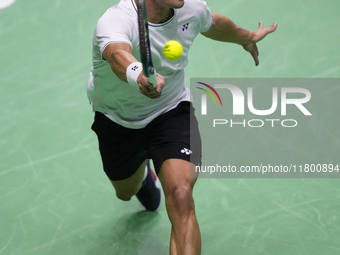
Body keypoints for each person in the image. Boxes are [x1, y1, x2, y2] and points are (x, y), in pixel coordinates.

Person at [87, 0, 277, 254]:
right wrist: (139, 75)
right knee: (125, 191)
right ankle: (144, 178)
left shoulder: (192, 8)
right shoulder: (116, 21)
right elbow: (116, 54)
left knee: (181, 195)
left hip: (171, 112)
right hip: (118, 120)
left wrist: (247, 36)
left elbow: (215, 24)